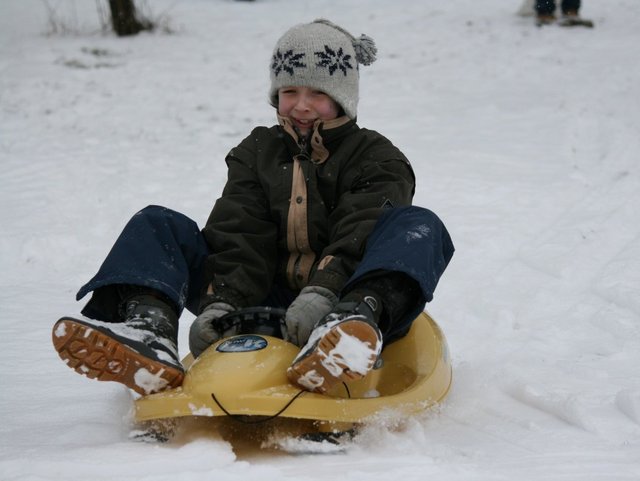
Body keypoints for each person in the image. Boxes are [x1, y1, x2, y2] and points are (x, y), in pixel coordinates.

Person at [52, 19, 454, 397]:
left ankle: (348, 328)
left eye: (318, 93)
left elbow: (361, 228)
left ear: (343, 98)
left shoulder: (376, 156)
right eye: (290, 92)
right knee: (156, 224)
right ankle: (150, 331)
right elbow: (240, 229)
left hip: (345, 291)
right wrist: (222, 303)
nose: (301, 105)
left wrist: (324, 295)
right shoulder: (256, 150)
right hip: (264, 296)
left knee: (418, 226)